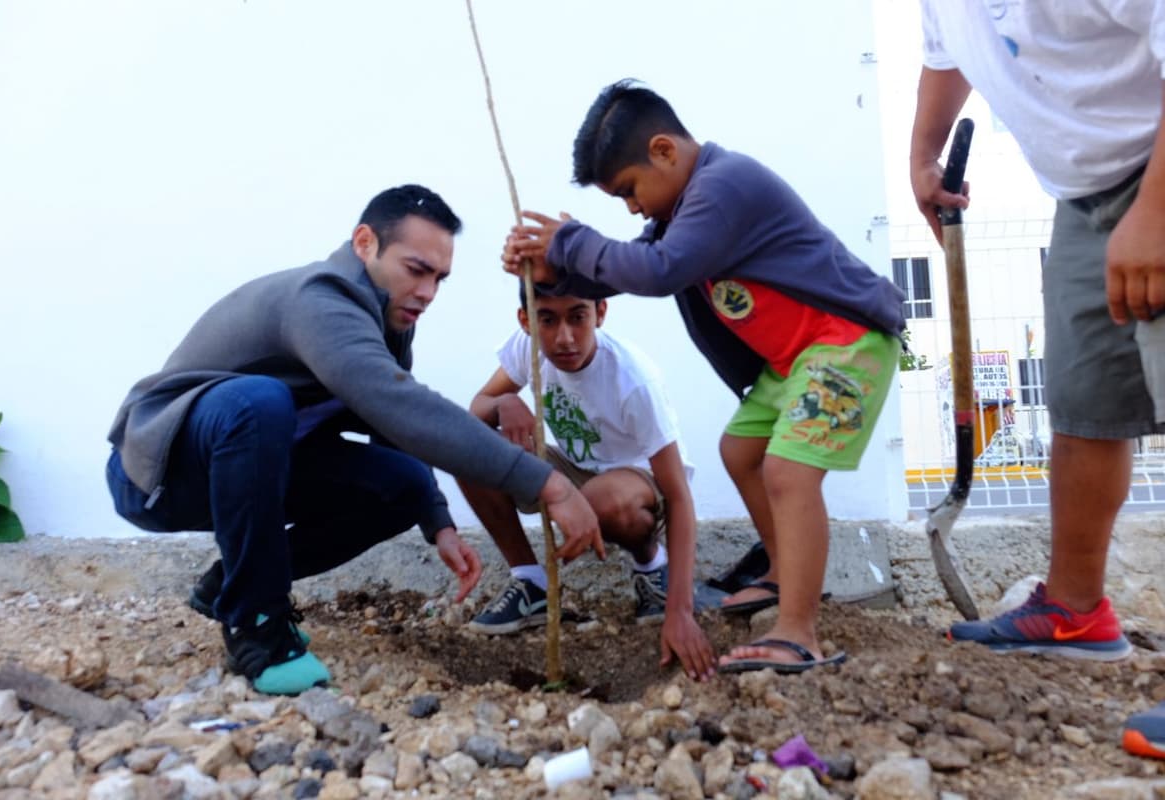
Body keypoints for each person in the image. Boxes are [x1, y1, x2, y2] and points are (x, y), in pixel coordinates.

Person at [105, 184, 600, 696]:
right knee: (258, 403)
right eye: (416, 270)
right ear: (365, 243)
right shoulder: (321, 301)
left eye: (439, 278)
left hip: (253, 471)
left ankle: (231, 584)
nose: (428, 292)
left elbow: (392, 425)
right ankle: (257, 627)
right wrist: (549, 484)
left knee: (405, 485)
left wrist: (437, 521)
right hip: (158, 475)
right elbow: (400, 404)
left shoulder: (388, 319)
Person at [503, 80, 906, 673]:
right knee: (741, 451)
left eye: (629, 190)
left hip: (846, 344)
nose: (632, 208)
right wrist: (552, 268)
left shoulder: (724, 185)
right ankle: (782, 570)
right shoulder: (684, 209)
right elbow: (625, 271)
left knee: (789, 471)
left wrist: (574, 242)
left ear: (664, 151)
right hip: (796, 362)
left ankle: (798, 632)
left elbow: (659, 270)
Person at [912, 1, 1165, 759]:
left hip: (1155, 172)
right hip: (1085, 197)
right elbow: (945, 52)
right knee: (1085, 406)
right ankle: (1074, 612)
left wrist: (1156, 211)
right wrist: (922, 156)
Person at [458, 284, 717, 680]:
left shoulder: (633, 379)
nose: (564, 337)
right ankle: (530, 583)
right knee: (467, 448)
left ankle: (652, 566)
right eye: (547, 320)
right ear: (526, 320)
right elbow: (476, 408)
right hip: (575, 471)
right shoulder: (528, 347)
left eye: (578, 317)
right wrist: (503, 402)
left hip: (639, 484)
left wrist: (680, 611)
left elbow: (679, 494)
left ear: (600, 313)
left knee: (602, 500)